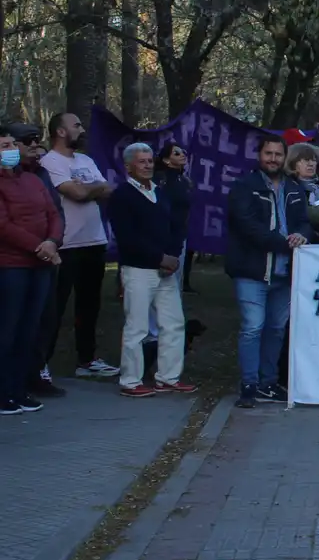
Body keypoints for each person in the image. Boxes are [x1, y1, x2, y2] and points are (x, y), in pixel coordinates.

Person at [226, 136, 311, 409]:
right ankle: (249, 385)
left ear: (285, 157)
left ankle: (268, 382)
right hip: (252, 270)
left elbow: (305, 222)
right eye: (268, 153)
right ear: (259, 155)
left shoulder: (295, 188)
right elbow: (247, 226)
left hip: (285, 272)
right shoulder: (245, 187)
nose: (273, 159)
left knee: (276, 328)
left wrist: (301, 235)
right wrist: (283, 242)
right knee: (253, 327)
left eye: (278, 154)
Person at [107, 143, 195, 398]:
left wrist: (174, 255)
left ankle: (168, 377)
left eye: (149, 161)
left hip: (166, 270)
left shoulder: (160, 193)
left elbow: (176, 226)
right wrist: (159, 258)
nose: (147, 165)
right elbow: (127, 237)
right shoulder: (122, 195)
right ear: (128, 166)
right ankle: (131, 380)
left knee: (173, 323)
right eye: (141, 161)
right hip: (139, 269)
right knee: (137, 326)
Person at [39, 112, 117, 379]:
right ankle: (41, 363)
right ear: (60, 132)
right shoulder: (49, 161)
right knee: (55, 306)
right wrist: (90, 188)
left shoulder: (85, 160)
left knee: (89, 305)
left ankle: (87, 360)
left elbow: (107, 190)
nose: (81, 129)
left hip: (94, 240)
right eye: (76, 126)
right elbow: (78, 193)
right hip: (66, 243)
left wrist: (89, 188)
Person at [0, 129, 62, 415]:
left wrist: (52, 241)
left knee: (30, 329)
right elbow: (4, 225)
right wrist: (39, 246)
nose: (12, 149)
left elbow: (53, 214)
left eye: (12, 144)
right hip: (11, 265)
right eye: (5, 145)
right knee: (8, 330)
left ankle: (19, 389)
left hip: (40, 265)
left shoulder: (33, 180)